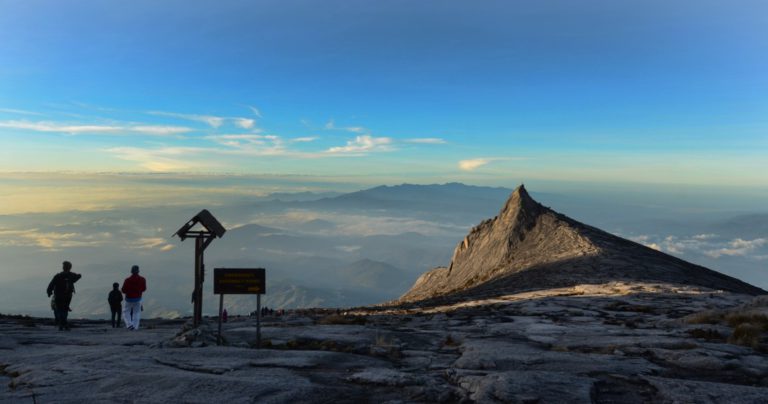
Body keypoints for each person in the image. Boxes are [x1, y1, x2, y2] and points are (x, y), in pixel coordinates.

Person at [46, 261, 82, 331]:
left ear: (63, 267)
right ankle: (63, 323)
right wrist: (79, 275)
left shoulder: (58, 276)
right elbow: (77, 277)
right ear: (70, 267)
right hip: (68, 296)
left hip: (58, 295)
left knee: (59, 309)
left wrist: (49, 292)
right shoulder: (71, 275)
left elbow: (51, 284)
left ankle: (61, 323)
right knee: (65, 309)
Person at [121, 265, 146, 330]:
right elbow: (144, 289)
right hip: (138, 298)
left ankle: (129, 325)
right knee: (137, 313)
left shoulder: (127, 280)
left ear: (131, 271)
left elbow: (123, 290)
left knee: (126, 312)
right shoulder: (142, 279)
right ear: (138, 271)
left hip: (128, 299)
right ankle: (135, 327)